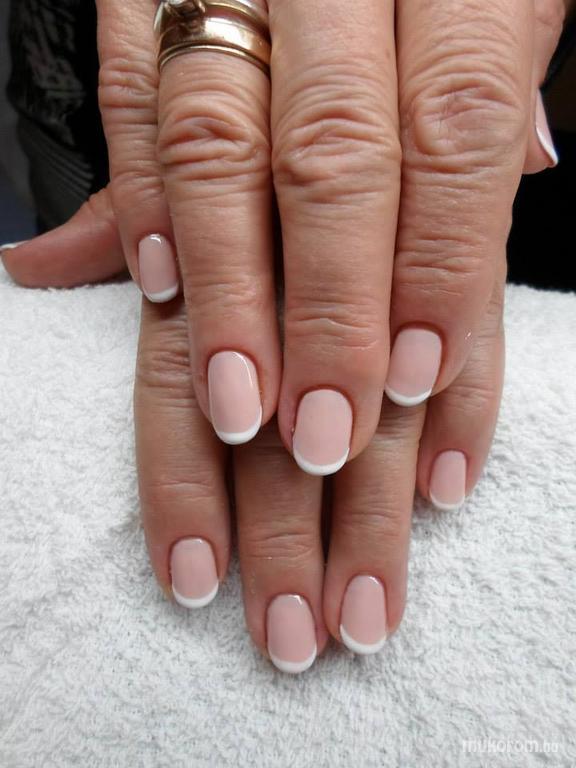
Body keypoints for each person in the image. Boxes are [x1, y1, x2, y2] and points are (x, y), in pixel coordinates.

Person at [1, 0, 571, 672]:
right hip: (123, 95)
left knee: (454, 140)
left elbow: (453, 130)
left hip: (471, 122)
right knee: (183, 203)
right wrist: (219, 159)